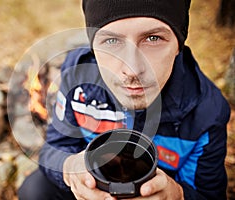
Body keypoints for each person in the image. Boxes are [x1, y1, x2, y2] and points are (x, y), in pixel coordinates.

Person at [18, 0, 231, 199]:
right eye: (111, 41)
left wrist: (178, 194)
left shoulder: (207, 111)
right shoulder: (78, 77)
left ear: (178, 45)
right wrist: (69, 169)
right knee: (35, 190)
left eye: (153, 38)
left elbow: (209, 194)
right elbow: (55, 147)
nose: (132, 69)